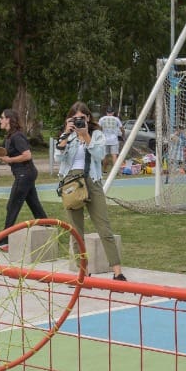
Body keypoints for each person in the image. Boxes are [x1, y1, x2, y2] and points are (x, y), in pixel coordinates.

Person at [54, 101, 125, 280]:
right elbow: (58, 157)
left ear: (88, 118)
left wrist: (85, 135)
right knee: (76, 231)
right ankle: (82, 272)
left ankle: (117, 271)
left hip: (92, 181)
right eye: (75, 119)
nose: (79, 122)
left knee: (104, 227)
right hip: (71, 183)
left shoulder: (97, 134)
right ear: (69, 119)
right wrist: (66, 135)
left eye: (82, 118)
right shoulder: (67, 136)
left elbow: (100, 155)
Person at [0, 108, 46, 231]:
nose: (0, 120)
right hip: (25, 174)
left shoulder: (17, 136)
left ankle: (4, 240)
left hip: (25, 174)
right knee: (35, 205)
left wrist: (10, 160)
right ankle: (48, 230)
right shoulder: (9, 137)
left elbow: (27, 155)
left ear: (8, 119)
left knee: (12, 206)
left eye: (2, 117)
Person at [98, 107, 123, 172]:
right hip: (114, 140)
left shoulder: (102, 119)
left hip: (104, 140)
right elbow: (121, 128)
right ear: (113, 113)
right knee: (114, 155)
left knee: (105, 155)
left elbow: (99, 128)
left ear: (106, 112)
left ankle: (104, 170)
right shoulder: (116, 119)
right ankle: (115, 171)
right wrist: (123, 134)